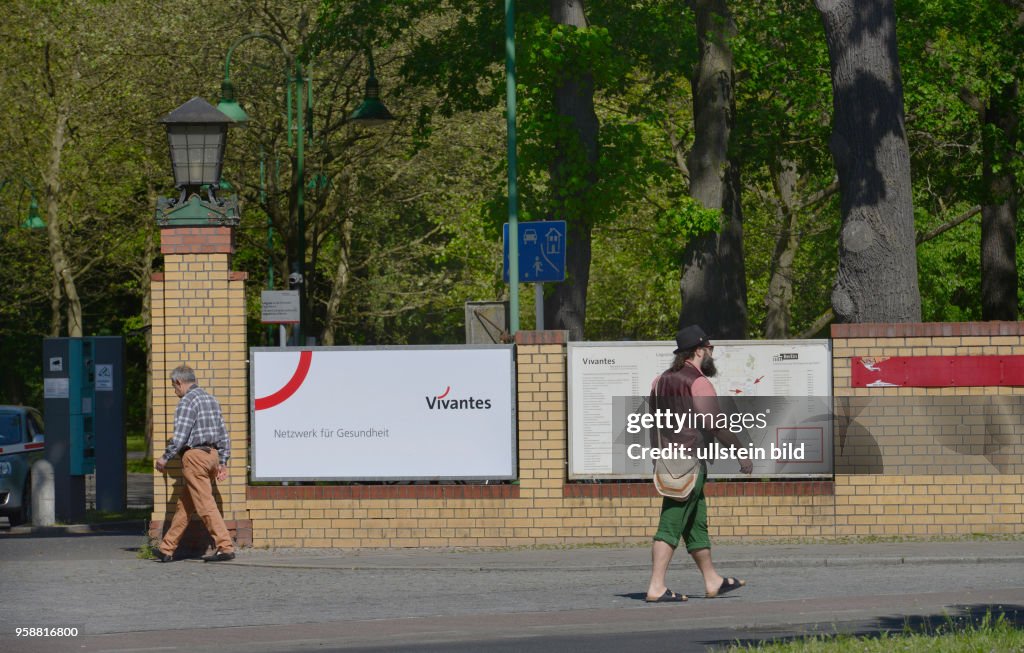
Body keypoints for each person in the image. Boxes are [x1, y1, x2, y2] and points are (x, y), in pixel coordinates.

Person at [645, 325, 752, 602]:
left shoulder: (659, 380)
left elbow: (653, 424)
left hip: (668, 460)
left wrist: (657, 456)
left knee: (696, 523)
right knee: (670, 522)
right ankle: (656, 585)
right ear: (698, 351)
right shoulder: (698, 382)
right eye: (710, 349)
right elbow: (714, 423)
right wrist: (741, 451)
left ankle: (712, 579)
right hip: (690, 461)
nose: (712, 354)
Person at [153, 365, 235, 562]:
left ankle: (225, 547)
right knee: (185, 504)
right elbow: (223, 434)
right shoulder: (211, 399)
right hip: (212, 456)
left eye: (174, 387)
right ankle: (167, 548)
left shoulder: (187, 401)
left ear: (179, 382)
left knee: (205, 503)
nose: (175, 392)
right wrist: (223, 461)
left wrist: (165, 457)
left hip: (195, 457)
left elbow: (180, 436)